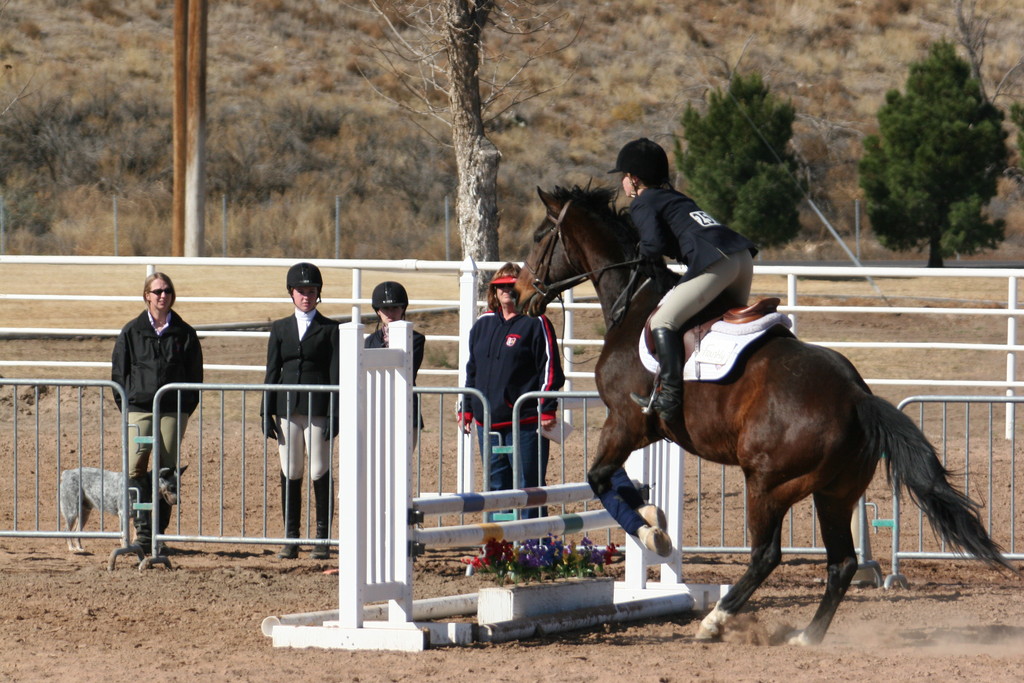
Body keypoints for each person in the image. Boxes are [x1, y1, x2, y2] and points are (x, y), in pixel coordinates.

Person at [609, 137, 757, 421]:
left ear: (635, 179)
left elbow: (651, 246)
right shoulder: (676, 197)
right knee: (721, 325)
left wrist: (636, 252)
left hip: (717, 263)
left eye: (624, 177)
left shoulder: (644, 202)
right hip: (741, 258)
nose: (623, 183)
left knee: (663, 321)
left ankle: (670, 396)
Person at [458, 263, 565, 520]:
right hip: (488, 424)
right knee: (497, 490)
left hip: (525, 423)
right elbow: (472, 369)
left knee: (528, 487)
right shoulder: (482, 324)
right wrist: (467, 409)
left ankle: (532, 548)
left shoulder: (536, 322)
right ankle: (502, 546)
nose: (507, 291)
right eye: (501, 286)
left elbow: (550, 368)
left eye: (512, 286)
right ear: (494, 292)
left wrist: (547, 408)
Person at [111, 272, 203, 554]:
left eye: (167, 291)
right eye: (158, 291)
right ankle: (142, 533)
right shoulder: (131, 331)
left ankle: (159, 537)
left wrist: (184, 408)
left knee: (166, 472)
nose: (163, 296)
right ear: (147, 296)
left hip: (173, 411)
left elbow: (195, 376)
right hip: (139, 410)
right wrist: (127, 406)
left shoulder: (184, 332)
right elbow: (119, 373)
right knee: (135, 468)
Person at [261, 262, 339, 560]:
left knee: (319, 469)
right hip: (287, 407)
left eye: (311, 291)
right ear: (291, 293)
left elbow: (336, 374)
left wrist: (335, 412)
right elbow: (272, 371)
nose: (306, 296)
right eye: (301, 291)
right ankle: (290, 538)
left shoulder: (330, 329)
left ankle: (322, 538)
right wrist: (265, 410)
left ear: (318, 294)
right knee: (291, 470)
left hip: (318, 407)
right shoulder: (280, 328)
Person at [364, 281, 426, 443]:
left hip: (405, 405)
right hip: (376, 406)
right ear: (378, 311)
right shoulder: (369, 341)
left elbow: (409, 370)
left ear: (403, 309)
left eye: (395, 308)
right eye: (385, 308)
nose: (390, 313)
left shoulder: (417, 339)